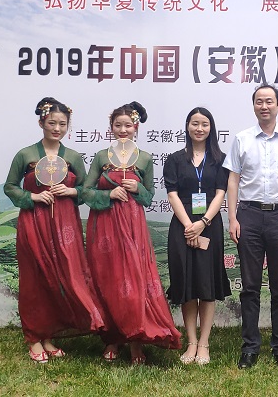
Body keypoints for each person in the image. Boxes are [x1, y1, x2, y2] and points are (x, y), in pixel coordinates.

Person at [3, 97, 105, 364]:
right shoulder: (26, 155)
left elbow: (86, 190)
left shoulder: (72, 157)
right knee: (34, 279)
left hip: (65, 225)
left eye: (62, 124)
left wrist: (70, 191)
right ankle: (34, 338)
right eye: (51, 123)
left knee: (61, 278)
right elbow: (10, 187)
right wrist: (33, 197)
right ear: (41, 123)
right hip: (33, 222)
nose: (57, 128)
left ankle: (49, 335)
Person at [83, 101, 181, 364]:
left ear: (136, 127)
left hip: (133, 225)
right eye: (118, 125)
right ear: (111, 127)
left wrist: (138, 190)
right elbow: (86, 192)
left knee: (135, 280)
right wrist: (108, 194)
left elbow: (149, 198)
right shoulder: (101, 157)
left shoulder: (145, 158)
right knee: (108, 279)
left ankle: (136, 340)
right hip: (104, 226)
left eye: (128, 125)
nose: (123, 130)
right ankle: (113, 339)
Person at [224, 83, 278, 369]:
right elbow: (233, 179)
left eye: (269, 101)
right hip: (248, 215)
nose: (264, 106)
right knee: (249, 287)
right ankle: (250, 347)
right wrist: (232, 218)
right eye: (259, 101)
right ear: (254, 106)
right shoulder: (242, 139)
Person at [164, 107, 232, 366]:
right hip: (182, 225)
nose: (199, 128)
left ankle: (204, 343)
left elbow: (220, 193)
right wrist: (189, 226)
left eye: (204, 124)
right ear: (187, 126)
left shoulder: (220, 159)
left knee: (206, 284)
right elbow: (172, 194)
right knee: (187, 285)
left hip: (209, 226)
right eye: (195, 123)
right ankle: (191, 341)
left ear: (211, 128)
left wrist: (202, 223)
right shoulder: (175, 159)